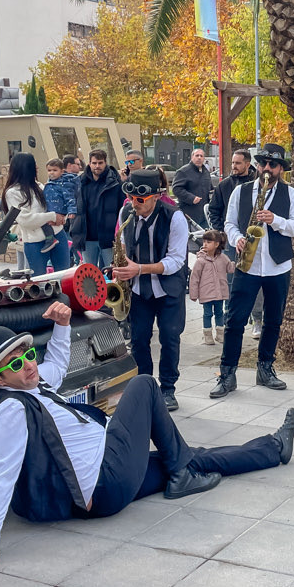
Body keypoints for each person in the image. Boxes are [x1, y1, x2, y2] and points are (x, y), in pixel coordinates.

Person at [0, 301, 294, 584]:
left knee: (188, 457)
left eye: (28, 355)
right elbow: (0, 478)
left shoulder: (32, 382)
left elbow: (56, 365)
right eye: (15, 364)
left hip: (108, 478)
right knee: (144, 385)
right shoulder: (9, 412)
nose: (28, 365)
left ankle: (273, 449)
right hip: (106, 477)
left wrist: (62, 326)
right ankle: (182, 474)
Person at [213, 144, 294, 398]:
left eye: (273, 165)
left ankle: (265, 369)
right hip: (247, 265)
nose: (267, 168)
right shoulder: (240, 192)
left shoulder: (290, 193)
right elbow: (229, 223)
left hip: (278, 266)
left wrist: (275, 220)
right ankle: (227, 374)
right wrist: (237, 239)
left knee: (273, 321)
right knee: (235, 321)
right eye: (263, 163)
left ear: (281, 169)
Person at [114, 169, 189, 411]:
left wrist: (139, 269)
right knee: (138, 340)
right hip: (138, 289)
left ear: (156, 196)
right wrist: (121, 266)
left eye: (140, 199)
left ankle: (168, 389)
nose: (134, 203)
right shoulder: (126, 212)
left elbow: (176, 261)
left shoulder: (175, 217)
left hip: (168, 289)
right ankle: (144, 388)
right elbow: (122, 244)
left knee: (169, 338)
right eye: (131, 197)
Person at [209, 149, 265, 340]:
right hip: (232, 241)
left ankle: (257, 319)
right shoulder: (225, 185)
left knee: (256, 282)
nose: (234, 166)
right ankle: (229, 319)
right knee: (231, 281)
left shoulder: (258, 184)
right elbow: (214, 210)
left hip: (254, 241)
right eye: (233, 162)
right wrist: (222, 233)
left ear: (248, 164)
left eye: (238, 163)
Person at [3, 153, 72, 274]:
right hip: (34, 242)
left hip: (58, 234)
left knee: (64, 276)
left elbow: (58, 204)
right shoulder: (12, 193)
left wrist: (62, 217)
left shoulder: (40, 186)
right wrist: (52, 216)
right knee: (39, 280)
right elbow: (25, 220)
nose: (37, 167)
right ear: (26, 167)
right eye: (34, 164)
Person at [190, 229, 234, 346]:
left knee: (219, 313)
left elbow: (230, 269)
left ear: (217, 244)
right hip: (206, 293)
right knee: (207, 314)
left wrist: (236, 264)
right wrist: (193, 294)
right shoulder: (200, 261)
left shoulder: (223, 258)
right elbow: (194, 278)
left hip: (220, 293)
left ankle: (220, 334)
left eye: (208, 242)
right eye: (204, 241)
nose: (205, 244)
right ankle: (208, 335)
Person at [80, 149, 124, 268]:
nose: (97, 166)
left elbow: (122, 208)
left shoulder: (115, 182)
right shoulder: (81, 182)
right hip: (87, 237)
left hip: (109, 237)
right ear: (89, 163)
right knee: (89, 274)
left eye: (100, 163)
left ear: (106, 163)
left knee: (112, 272)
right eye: (94, 163)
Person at [40, 158, 79, 253]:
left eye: (55, 170)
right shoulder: (49, 184)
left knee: (45, 223)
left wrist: (72, 211)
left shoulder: (63, 185)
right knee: (43, 222)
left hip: (59, 209)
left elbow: (70, 198)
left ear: (62, 171)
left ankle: (50, 239)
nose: (51, 173)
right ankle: (50, 239)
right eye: (49, 170)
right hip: (50, 209)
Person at [171, 148, 214, 228]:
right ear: (192, 157)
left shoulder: (206, 172)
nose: (199, 158)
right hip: (189, 214)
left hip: (204, 214)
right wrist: (191, 198)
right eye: (197, 155)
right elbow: (176, 189)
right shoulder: (183, 171)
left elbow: (210, 187)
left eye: (201, 156)